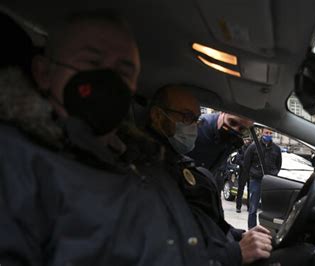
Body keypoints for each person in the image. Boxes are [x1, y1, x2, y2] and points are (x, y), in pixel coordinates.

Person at [0, 11, 211, 265]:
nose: (109, 81)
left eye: (124, 72)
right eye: (92, 63)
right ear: (43, 73)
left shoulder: (141, 160)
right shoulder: (14, 163)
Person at [134, 85, 273, 265]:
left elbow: (200, 219)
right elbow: (167, 242)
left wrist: (235, 235)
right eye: (186, 117)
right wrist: (234, 253)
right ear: (158, 116)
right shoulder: (149, 165)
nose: (193, 126)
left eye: (196, 119)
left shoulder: (176, 158)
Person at [187, 111, 253, 190]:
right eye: (232, 122)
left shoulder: (231, 142)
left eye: (242, 129)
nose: (235, 129)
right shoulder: (197, 128)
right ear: (222, 113)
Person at [242, 128, 282, 229]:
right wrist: (252, 174)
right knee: (253, 208)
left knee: (269, 209)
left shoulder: (276, 149)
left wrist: (274, 173)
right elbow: (246, 163)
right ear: (261, 133)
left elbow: (278, 164)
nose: (268, 135)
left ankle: (266, 229)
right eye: (266, 133)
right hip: (256, 180)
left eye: (270, 133)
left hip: (270, 182)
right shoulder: (253, 147)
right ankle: (252, 229)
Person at [235, 138, 252, 213]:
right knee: (240, 190)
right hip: (243, 172)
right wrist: (245, 165)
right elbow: (238, 160)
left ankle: (249, 207)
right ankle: (238, 207)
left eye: (248, 140)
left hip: (251, 172)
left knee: (250, 190)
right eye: (246, 140)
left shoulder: (252, 149)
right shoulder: (241, 149)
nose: (247, 141)